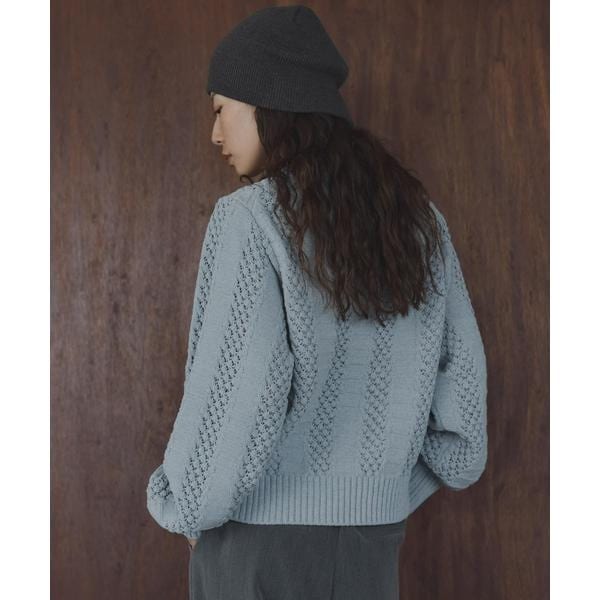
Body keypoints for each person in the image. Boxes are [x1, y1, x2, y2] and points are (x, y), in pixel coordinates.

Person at [146, 5, 488, 599]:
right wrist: (371, 496)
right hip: (373, 546)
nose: (215, 135)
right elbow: (462, 420)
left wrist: (186, 506)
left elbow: (238, 392)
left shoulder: (250, 220)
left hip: (255, 551)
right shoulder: (419, 223)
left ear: (268, 103)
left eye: (222, 110)